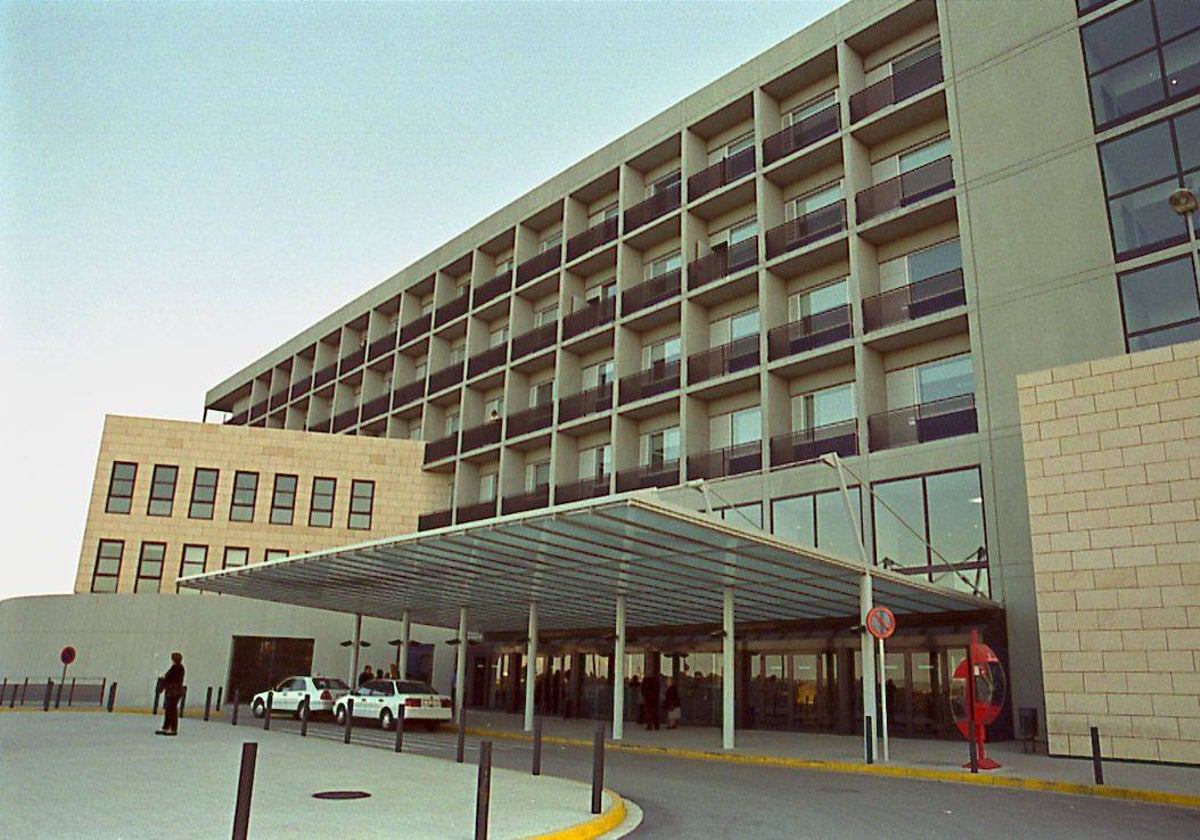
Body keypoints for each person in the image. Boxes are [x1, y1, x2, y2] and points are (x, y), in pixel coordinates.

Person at [156, 652, 185, 736]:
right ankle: (167, 727)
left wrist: (163, 681)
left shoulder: (177, 668)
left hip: (173, 691)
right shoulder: (177, 667)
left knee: (171, 709)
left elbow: (171, 678)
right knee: (169, 709)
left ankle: (172, 728)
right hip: (174, 691)